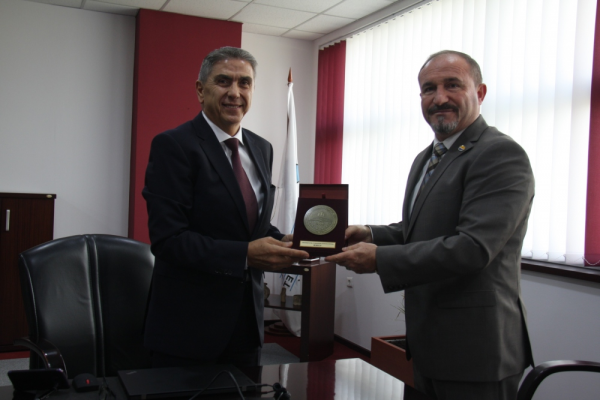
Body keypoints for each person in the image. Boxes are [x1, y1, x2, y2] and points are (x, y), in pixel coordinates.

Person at [326, 50, 535, 400]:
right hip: (428, 346)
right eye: (429, 89)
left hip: (476, 352)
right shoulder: (427, 157)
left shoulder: (500, 154)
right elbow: (421, 230)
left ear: (480, 92)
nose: (439, 98)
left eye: (452, 85)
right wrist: (371, 233)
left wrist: (379, 259)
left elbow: (472, 248)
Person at [142, 47, 309, 368]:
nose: (235, 92)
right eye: (223, 81)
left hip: (247, 323)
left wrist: (286, 241)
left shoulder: (262, 148)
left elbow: (253, 225)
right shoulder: (174, 146)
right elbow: (168, 240)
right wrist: (245, 255)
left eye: (245, 83)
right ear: (200, 90)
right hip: (189, 328)